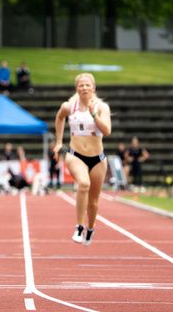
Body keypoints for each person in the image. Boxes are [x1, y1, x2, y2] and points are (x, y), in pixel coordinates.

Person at [53, 72, 111, 246]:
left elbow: (107, 131)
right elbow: (59, 117)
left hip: (98, 159)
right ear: (76, 88)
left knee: (93, 202)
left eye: (87, 85)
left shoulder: (101, 107)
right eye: (81, 85)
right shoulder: (69, 106)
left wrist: (94, 115)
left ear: (93, 88)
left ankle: (90, 228)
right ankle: (79, 226)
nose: (84, 88)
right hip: (75, 155)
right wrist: (58, 142)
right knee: (83, 184)